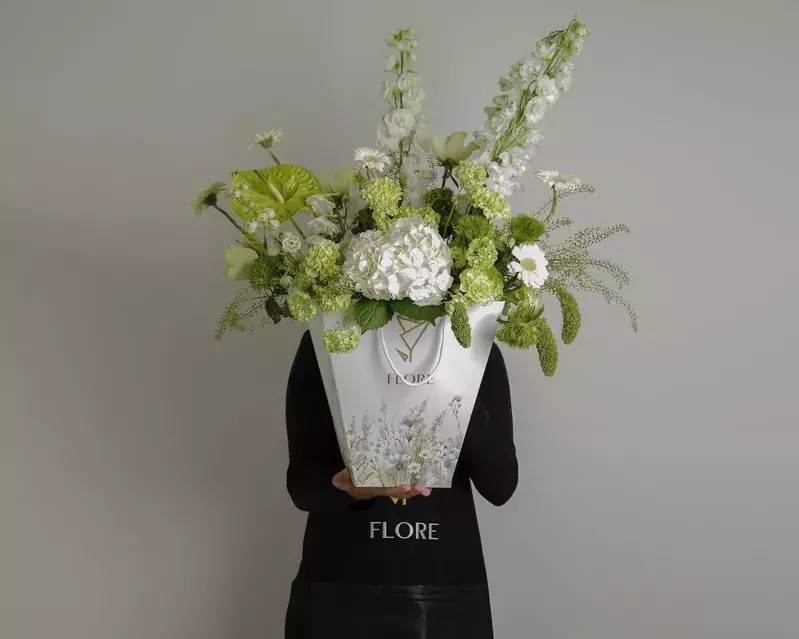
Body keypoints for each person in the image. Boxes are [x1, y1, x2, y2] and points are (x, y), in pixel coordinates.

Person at [284, 330, 517, 639]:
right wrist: (352, 489)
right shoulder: (330, 338)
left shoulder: (472, 348)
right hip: (339, 591)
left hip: (446, 597)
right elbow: (302, 486)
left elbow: (501, 484)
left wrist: (454, 385)